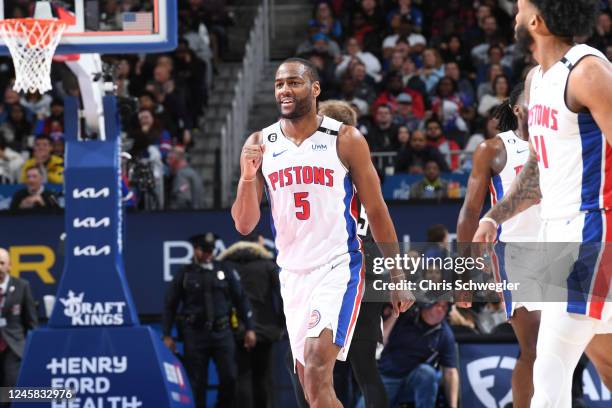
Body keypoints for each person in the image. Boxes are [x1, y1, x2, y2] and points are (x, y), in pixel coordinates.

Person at [231, 58, 412, 408]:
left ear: (315, 89)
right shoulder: (260, 142)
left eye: (294, 83)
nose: (285, 90)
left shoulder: (345, 139)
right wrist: (247, 176)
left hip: (339, 266)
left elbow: (376, 210)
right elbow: (244, 224)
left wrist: (397, 273)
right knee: (313, 390)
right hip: (292, 274)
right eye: (280, 84)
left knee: (315, 366)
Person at [474, 1, 612, 406]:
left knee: (548, 372)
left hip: (592, 231)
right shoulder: (536, 80)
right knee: (599, 360)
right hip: (561, 231)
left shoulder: (589, 71)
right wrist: (495, 217)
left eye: (519, 8)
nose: (513, 16)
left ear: (536, 21)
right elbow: (536, 171)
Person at [457, 83, 542, 407]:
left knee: (566, 345)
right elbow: (469, 214)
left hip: (566, 246)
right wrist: (462, 278)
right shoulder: (493, 149)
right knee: (533, 347)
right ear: (517, 108)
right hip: (517, 252)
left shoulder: (564, 145)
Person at [318, 99, 389, 408]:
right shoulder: (365, 168)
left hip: (343, 274)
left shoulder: (325, 168)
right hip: (371, 274)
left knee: (319, 367)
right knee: (364, 369)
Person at [162, 233, 257, 408]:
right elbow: (170, 305)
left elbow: (240, 299)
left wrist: (250, 328)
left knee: (230, 376)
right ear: (195, 250)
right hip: (195, 334)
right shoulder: (185, 273)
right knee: (197, 382)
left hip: (222, 332)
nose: (208, 254)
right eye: (204, 250)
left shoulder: (224, 270)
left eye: (211, 250)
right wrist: (167, 335)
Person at [217, 231, 283, 408]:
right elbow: (283, 296)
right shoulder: (267, 265)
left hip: (234, 329)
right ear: (258, 243)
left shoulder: (225, 266)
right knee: (263, 377)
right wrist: (281, 325)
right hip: (264, 329)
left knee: (242, 376)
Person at [377, 301, 459, 408]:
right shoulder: (406, 316)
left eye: (444, 307)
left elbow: (451, 372)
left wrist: (453, 406)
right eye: (437, 305)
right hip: (387, 376)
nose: (441, 310)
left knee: (427, 373)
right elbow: (380, 340)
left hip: (413, 380)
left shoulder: (444, 333)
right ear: (426, 305)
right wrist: (396, 313)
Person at [0, 248, 38, 404]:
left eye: (2, 263)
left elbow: (31, 322)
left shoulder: (22, 286)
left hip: (13, 349)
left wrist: (33, 351)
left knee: (10, 394)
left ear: (9, 266)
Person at [166, 146, 205, 210]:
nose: (168, 162)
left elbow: (181, 201)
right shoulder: (193, 173)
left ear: (177, 160)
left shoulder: (182, 175)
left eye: (170, 159)